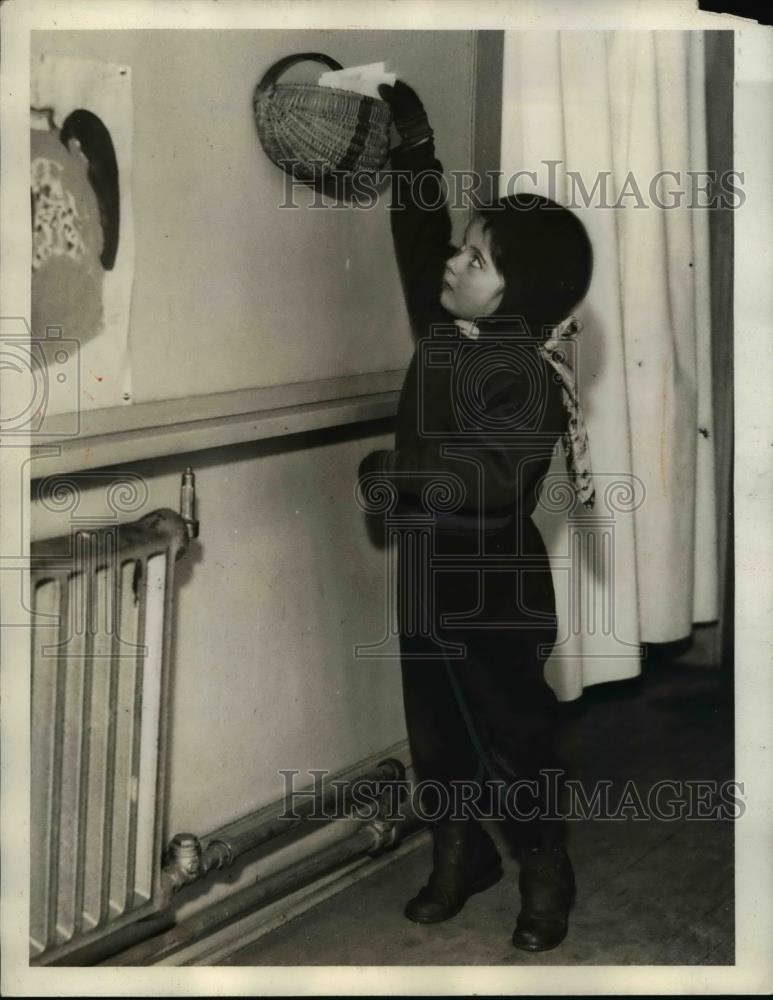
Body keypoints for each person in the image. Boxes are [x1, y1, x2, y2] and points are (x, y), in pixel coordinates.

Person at [358, 80, 594, 952]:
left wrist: (395, 469)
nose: (455, 263)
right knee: (435, 724)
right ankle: (459, 855)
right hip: (424, 567)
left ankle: (542, 864)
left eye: (479, 261)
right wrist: (413, 149)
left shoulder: (527, 374)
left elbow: (493, 480)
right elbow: (421, 232)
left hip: (497, 581)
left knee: (510, 732)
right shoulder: (442, 322)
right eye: (465, 251)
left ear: (518, 295)